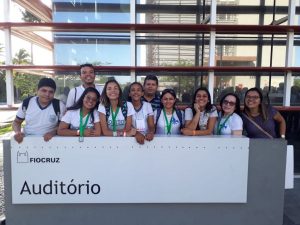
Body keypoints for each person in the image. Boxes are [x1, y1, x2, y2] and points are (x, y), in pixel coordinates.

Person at [12, 78, 66, 143]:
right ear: (37, 90)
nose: (47, 94)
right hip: (28, 141)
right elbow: (16, 122)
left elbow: (63, 126)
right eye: (44, 90)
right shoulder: (27, 103)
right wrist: (18, 132)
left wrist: (52, 133)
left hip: (51, 141)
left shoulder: (59, 105)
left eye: (51, 92)